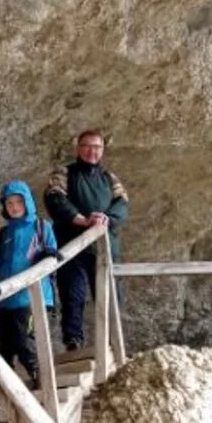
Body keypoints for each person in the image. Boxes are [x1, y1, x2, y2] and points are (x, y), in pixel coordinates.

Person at [43, 130, 129, 352]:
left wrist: (105, 219)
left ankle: (113, 342)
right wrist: (82, 220)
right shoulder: (64, 173)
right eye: (87, 146)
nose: (92, 151)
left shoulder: (110, 178)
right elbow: (54, 199)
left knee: (109, 294)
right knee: (73, 294)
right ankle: (73, 341)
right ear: (78, 148)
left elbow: (122, 205)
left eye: (97, 147)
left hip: (105, 247)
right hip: (72, 246)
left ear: (103, 150)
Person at [0, 180, 61, 389]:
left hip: (31, 296)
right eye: (9, 203)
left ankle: (42, 381)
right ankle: (9, 387)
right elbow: (0, 265)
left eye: (18, 202)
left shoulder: (41, 227)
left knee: (25, 342)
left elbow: (54, 256)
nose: (13, 207)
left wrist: (48, 257)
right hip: (3, 299)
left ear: (27, 202)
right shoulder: (4, 234)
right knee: (2, 346)